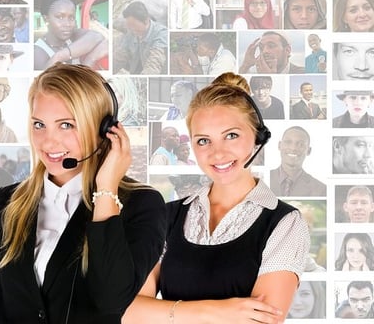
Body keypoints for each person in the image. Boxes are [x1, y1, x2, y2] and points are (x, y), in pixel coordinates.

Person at [0, 63, 167, 322]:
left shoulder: (142, 204)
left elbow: (112, 299)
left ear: (104, 130)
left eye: (66, 125)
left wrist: (106, 189)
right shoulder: (7, 202)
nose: (49, 142)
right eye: (39, 125)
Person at [124, 72, 309, 324]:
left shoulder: (284, 223)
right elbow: (128, 312)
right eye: (203, 141)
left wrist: (167, 313)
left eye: (231, 135)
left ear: (257, 137)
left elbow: (262, 320)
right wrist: (222, 311)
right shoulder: (166, 216)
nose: (218, 153)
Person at [35, 0, 108, 70]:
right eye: (60, 17)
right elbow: (75, 82)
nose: (67, 24)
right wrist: (91, 58)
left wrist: (61, 55)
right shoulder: (38, 52)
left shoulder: (72, 36)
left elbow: (97, 36)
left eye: (71, 17)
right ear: (46, 19)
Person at [114, 0, 168, 74]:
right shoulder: (130, 34)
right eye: (128, 25)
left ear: (146, 21)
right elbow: (120, 57)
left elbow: (154, 63)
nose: (131, 29)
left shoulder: (162, 34)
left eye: (133, 25)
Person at [270, 126, 325, 196]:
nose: (293, 148)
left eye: (301, 144)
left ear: (309, 151)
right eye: (288, 142)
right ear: (279, 145)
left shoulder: (320, 189)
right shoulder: (261, 180)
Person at [239, 31, 305, 74]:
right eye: (261, 47)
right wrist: (245, 65)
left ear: (287, 50)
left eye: (271, 46)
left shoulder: (303, 72)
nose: (264, 51)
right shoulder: (255, 73)